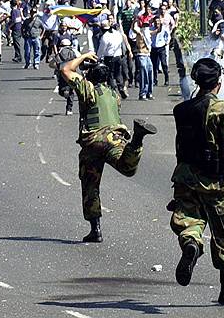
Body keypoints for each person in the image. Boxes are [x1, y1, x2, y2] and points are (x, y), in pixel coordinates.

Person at [168, 57, 224, 305]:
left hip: (185, 176)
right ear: (218, 83)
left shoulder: (182, 109)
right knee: (223, 232)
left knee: (189, 219)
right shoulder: (222, 108)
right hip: (213, 180)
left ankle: (191, 244)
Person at [61, 51, 157, 242]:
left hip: (93, 142)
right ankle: (136, 139)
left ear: (90, 76)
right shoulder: (114, 95)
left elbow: (65, 69)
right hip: (115, 137)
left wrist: (84, 56)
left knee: (90, 185)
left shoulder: (87, 88)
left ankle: (95, 229)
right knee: (127, 167)